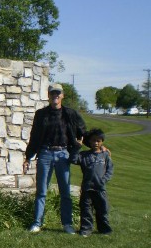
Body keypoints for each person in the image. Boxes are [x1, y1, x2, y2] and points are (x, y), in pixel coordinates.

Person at [22, 83, 86, 234]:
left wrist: (97, 146)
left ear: (62, 95)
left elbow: (83, 131)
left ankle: (67, 224)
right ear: (48, 95)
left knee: (65, 192)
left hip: (63, 154)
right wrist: (28, 157)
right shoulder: (41, 114)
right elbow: (34, 136)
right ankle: (37, 223)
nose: (55, 96)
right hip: (45, 153)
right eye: (52, 93)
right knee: (41, 191)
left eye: (58, 93)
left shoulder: (70, 114)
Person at [72, 128, 114, 236]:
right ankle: (86, 230)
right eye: (93, 140)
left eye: (98, 141)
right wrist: (77, 147)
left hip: (100, 188)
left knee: (102, 210)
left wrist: (103, 180)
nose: (96, 143)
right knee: (86, 210)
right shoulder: (83, 155)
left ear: (102, 141)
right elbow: (73, 159)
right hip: (87, 188)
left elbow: (110, 170)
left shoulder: (105, 155)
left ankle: (104, 229)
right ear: (89, 141)